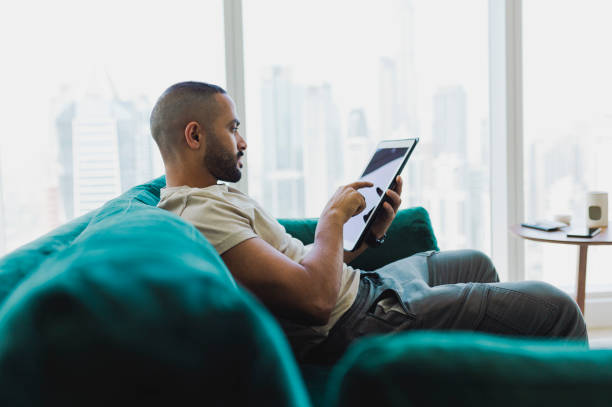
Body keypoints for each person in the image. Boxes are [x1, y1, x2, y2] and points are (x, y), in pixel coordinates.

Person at [153, 81, 587, 362]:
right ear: (194, 136)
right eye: (232, 128)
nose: (242, 141)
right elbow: (316, 302)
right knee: (557, 309)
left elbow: (304, 267)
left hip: (364, 288)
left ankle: (491, 384)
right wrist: (331, 218)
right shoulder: (198, 215)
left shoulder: (213, 196)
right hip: (358, 319)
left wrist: (370, 233)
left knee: (475, 262)